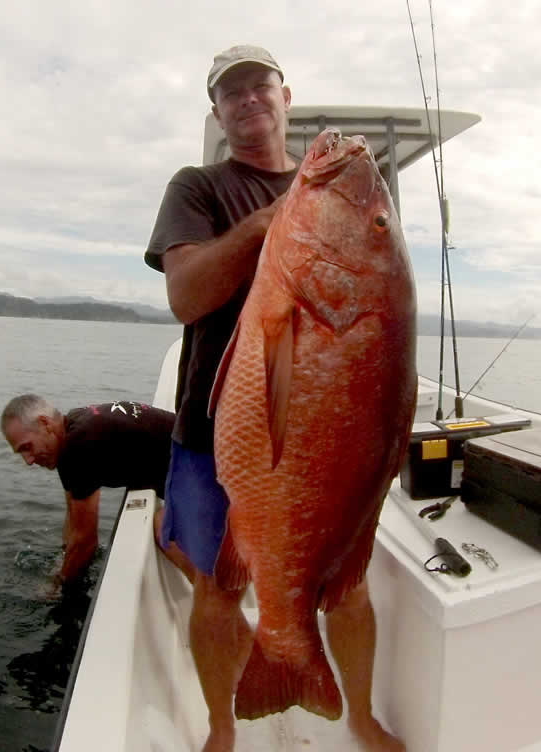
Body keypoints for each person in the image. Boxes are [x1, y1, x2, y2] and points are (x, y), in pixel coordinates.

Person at [145, 45, 404, 752]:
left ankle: (357, 714)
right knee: (217, 587)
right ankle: (223, 726)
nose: (248, 99)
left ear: (286, 96)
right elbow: (186, 296)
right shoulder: (198, 188)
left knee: (345, 587)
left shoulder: (321, 198)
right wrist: (268, 223)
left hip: (324, 437)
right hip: (211, 433)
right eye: (232, 93)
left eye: (261, 86)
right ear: (218, 112)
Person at [0, 394, 194, 590]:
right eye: (21, 453)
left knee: (164, 528)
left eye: (27, 447)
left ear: (45, 424)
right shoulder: (74, 425)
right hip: (199, 463)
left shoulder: (78, 446)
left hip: (208, 478)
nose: (28, 461)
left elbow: (86, 541)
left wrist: (56, 585)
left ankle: (213, 591)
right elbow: (73, 513)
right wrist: (66, 554)